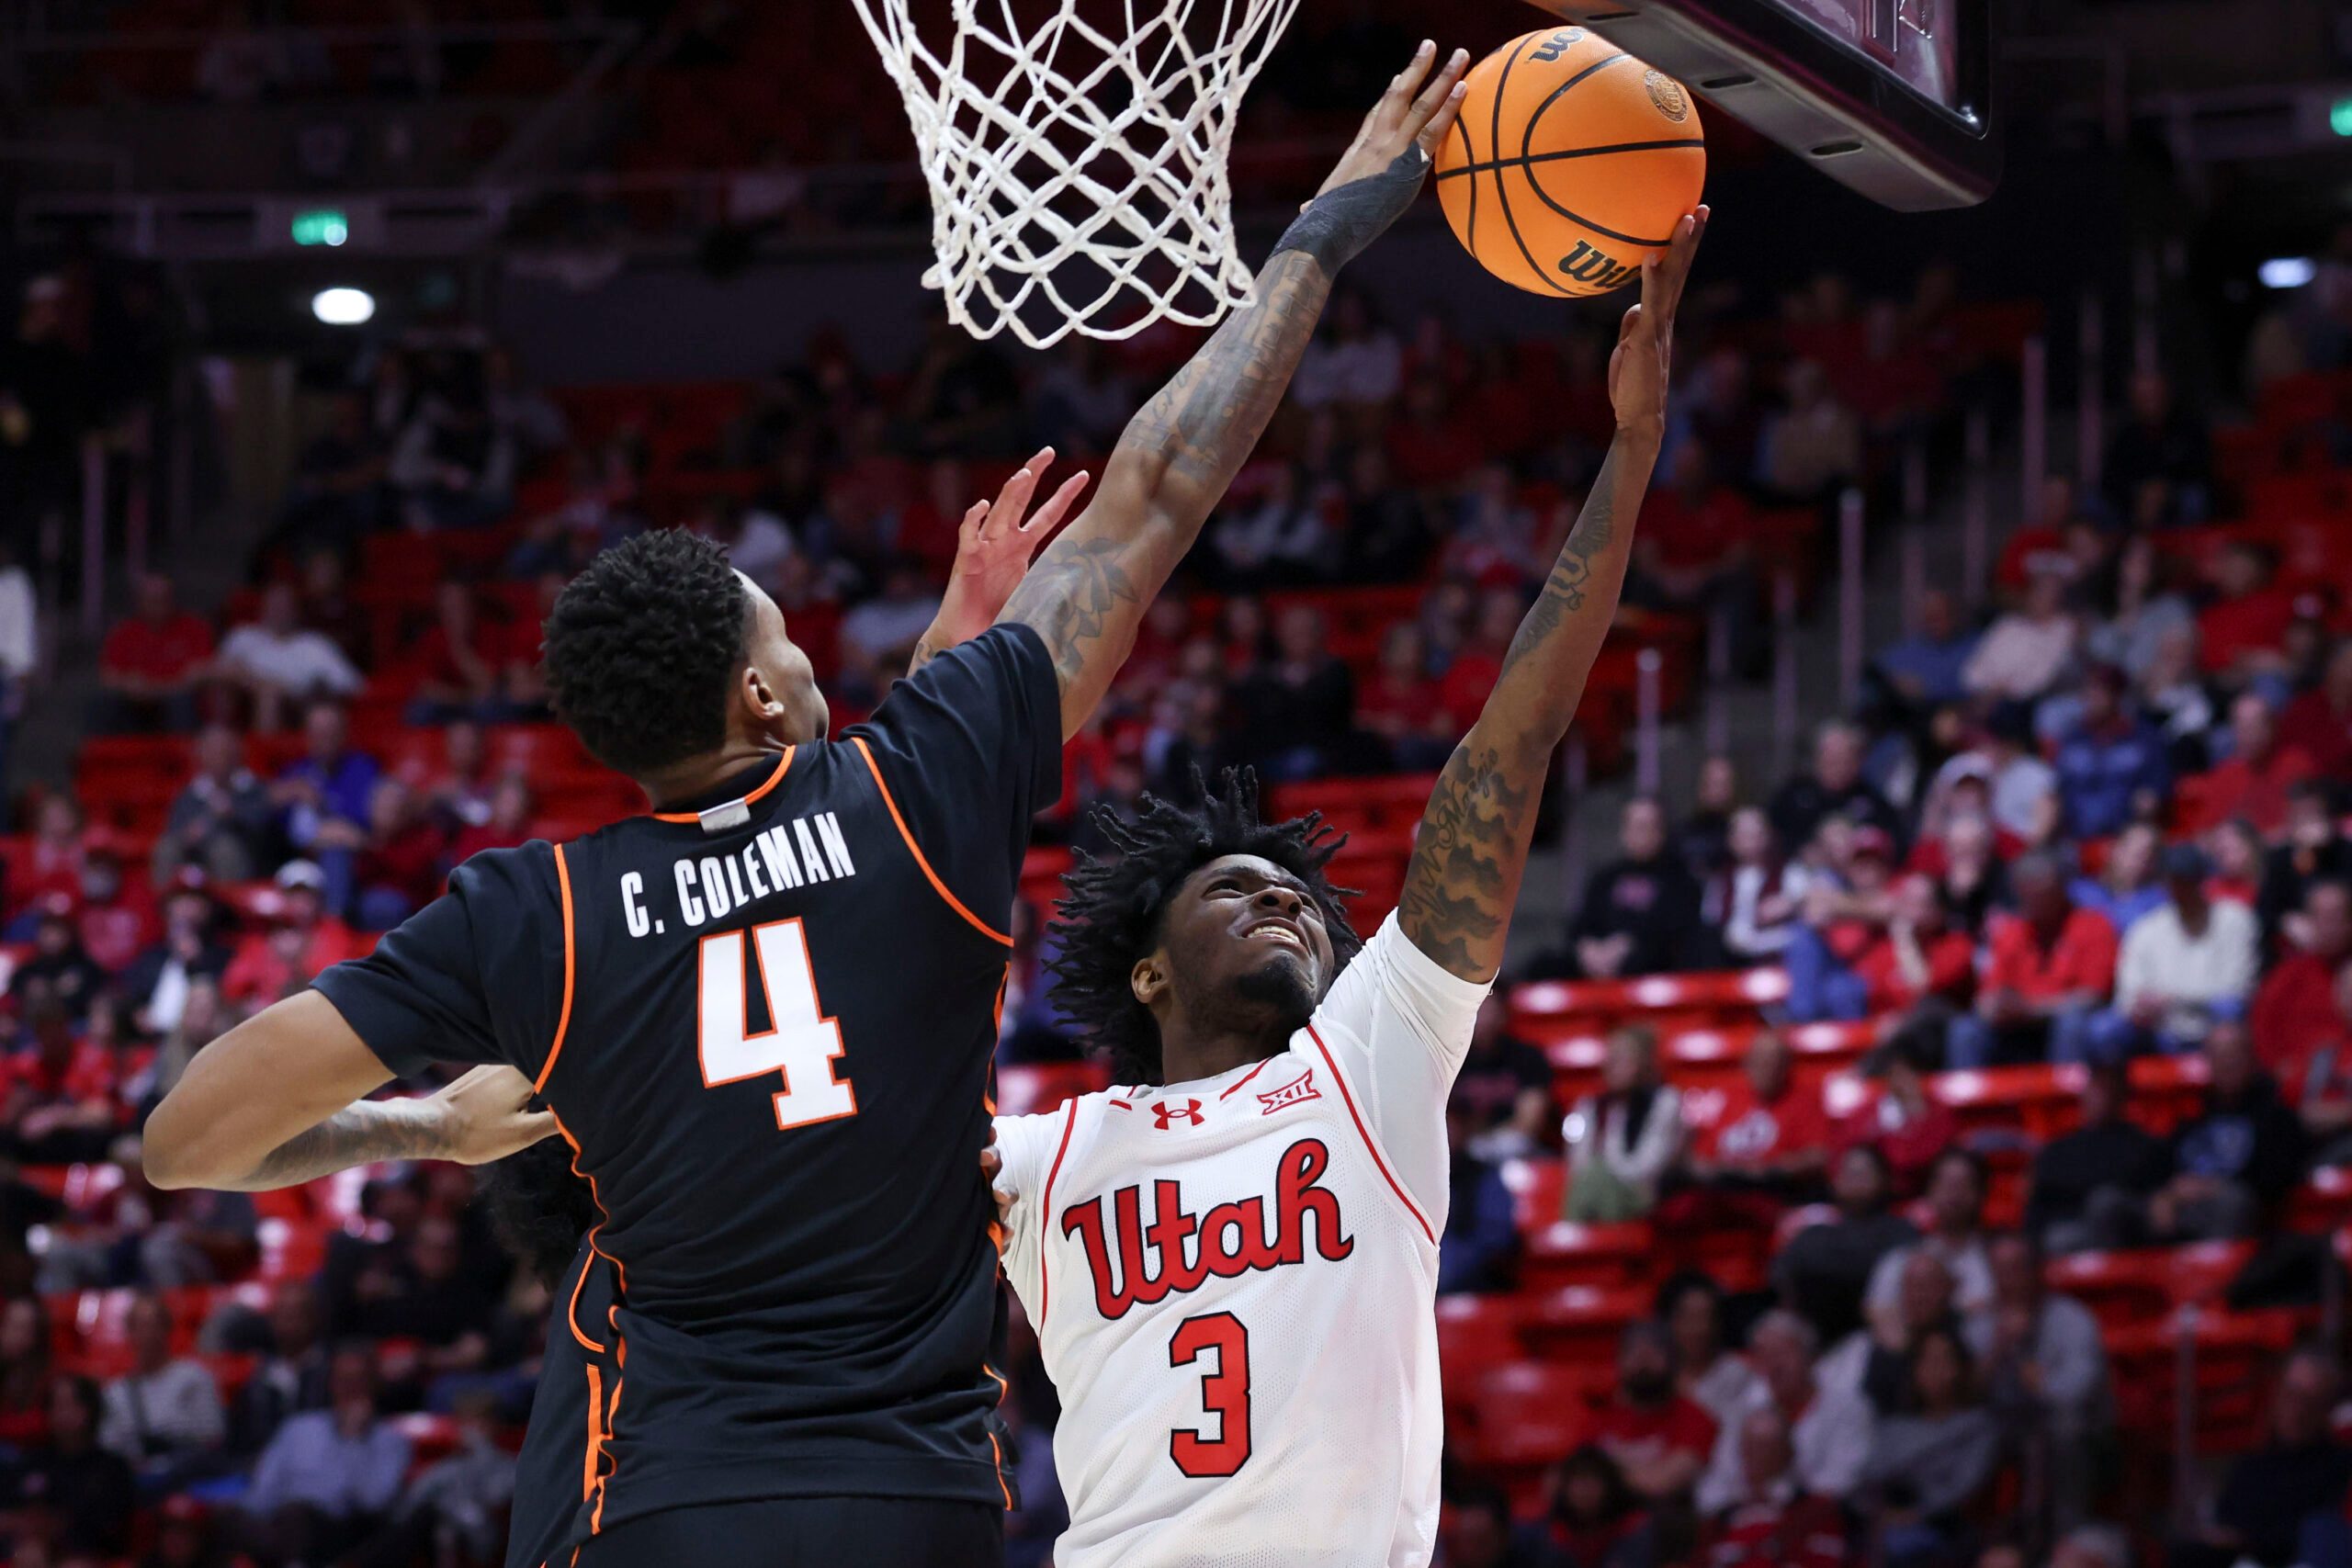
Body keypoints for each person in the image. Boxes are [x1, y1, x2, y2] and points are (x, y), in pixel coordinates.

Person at [146, 48, 1482, 1568]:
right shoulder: (920, 791)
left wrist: (433, 1124)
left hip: (668, 1502)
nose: (803, 643)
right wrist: (1327, 226)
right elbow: (1161, 488)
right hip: (907, 1507)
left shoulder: (539, 911)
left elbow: (190, 1142)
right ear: (767, 700)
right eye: (786, 631)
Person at [985, 179, 1707, 1564]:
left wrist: (1632, 447)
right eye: (1234, 888)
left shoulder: (1371, 1056)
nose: (1283, 898)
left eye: (1301, 892)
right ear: (1148, 967)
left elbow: (1513, 739)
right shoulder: (1044, 1153)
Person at [1970, 1231, 2110, 1533]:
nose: (2010, 1279)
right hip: (2000, 1426)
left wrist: (2032, 1375)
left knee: (2065, 1428)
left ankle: (2068, 1530)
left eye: (2017, 1268)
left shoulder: (2072, 1318)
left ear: (2037, 1270)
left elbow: (2078, 1390)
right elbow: (1962, 1393)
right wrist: (1997, 1350)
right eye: (2000, 1270)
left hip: (2069, 1427)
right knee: (1964, 1428)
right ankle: (1974, 1533)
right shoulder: (1981, 1323)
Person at [2172, 1344, 2352, 1568]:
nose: (2297, 1410)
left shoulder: (2339, 1466)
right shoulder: (2252, 1464)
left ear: (2327, 1409)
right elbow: (2225, 1523)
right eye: (2291, 1395)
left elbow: (2321, 1535)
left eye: (2310, 1401)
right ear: (2277, 1394)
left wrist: (2250, 1540)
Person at [241, 1345, 411, 1567]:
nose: (350, 1389)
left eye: (359, 1381)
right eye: (343, 1380)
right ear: (331, 1384)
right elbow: (263, 1493)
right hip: (281, 1527)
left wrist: (354, 1440)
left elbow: (373, 1502)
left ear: (375, 1385)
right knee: (221, 1518)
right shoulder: (298, 1428)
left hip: (343, 1533)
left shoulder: (390, 1441)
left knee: (298, 1515)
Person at [1954, 851, 2119, 1067]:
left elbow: (2094, 997)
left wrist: (2031, 1010)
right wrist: (1994, 1007)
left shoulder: (2094, 925)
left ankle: (2065, 1099)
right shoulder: (2011, 932)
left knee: (2072, 1024)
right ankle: (1975, 1101)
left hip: (2064, 1029)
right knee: (1967, 1030)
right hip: (2016, 1031)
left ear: (2060, 889)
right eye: (2026, 893)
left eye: (2041, 893)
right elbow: (1987, 996)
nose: (2033, 901)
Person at [1695, 1310, 1871, 1512]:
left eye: (1783, 1353)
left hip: (1823, 1522)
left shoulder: (1849, 1408)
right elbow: (1719, 1480)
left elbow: (1840, 1482)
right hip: (1748, 1520)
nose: (1774, 1365)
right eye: (1764, 1355)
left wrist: (1777, 1497)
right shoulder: (1745, 1408)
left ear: (1810, 1357)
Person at [1857, 1325, 2002, 1566]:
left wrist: (1916, 1513)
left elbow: (1965, 1487)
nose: (1935, 1370)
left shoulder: (1979, 1427)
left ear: (1962, 1368)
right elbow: (1868, 1478)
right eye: (1926, 1361)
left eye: (1944, 1361)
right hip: (1884, 1520)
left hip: (1945, 1527)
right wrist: (1880, 1511)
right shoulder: (1894, 1426)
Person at [2100, 842, 2258, 1057]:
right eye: (2175, 880)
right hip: (2159, 1030)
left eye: (2188, 880)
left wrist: (2172, 1000)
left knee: (2228, 1011)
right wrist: (2141, 1006)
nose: (2181, 888)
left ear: (2203, 881)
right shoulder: (2145, 929)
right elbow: (2127, 997)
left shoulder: (2235, 920)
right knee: (2105, 1030)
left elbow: (2237, 991)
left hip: (2212, 1024)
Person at [1772, 1144, 1918, 1345]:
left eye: (1863, 1173)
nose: (1855, 1179)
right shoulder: (1814, 1232)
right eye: (1848, 1172)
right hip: (1817, 1332)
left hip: (1879, 1332)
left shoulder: (1902, 1232)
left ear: (1884, 1180)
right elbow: (1782, 1276)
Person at [2025, 1059, 2170, 1253]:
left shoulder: (2146, 1147)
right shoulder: (2057, 1152)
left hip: (2132, 1236)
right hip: (2075, 1236)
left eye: (2110, 1088)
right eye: (2097, 1087)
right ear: (2084, 1092)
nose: (2102, 1096)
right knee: (2056, 1238)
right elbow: (2039, 1210)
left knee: (2106, 1201)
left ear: (2123, 1096)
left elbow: (2159, 1201)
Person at [1579, 1319, 1720, 1505]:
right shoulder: (1604, 1415)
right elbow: (1563, 1482)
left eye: (1652, 1355)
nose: (1642, 1364)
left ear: (1673, 1362)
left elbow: (1660, 1484)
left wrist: (1604, 1469)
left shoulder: (1696, 1419)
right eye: (1634, 1355)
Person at [1565, 796, 1704, 978]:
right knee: (1545, 965)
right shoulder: (1604, 878)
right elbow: (1580, 924)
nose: (1638, 833)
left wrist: (1628, 944)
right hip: (1598, 961)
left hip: (1651, 966)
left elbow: (1677, 932)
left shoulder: (1681, 880)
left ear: (1660, 832)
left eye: (1645, 826)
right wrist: (1587, 948)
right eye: (1632, 825)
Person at [1701, 1406, 1850, 1568]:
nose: (1752, 1454)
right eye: (1748, 1445)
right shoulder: (1721, 1520)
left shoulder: (1816, 1512)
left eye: (1764, 1446)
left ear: (1786, 1452)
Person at [97, 1293, 226, 1480]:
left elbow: (212, 1437)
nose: (147, 1334)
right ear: (129, 1334)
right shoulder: (116, 1392)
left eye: (152, 1325)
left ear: (166, 1329)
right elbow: (109, 1445)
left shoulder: (193, 1378)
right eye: (139, 1327)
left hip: (188, 1477)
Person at [1864, 1149, 1994, 1333]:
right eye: (1946, 1184)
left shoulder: (1997, 1259)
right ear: (1929, 1191)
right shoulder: (1901, 1258)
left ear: (1981, 1193)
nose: (1954, 1193)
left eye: (1964, 1184)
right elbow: (1877, 1310)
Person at [1565, 1025, 1685, 1223]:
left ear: (1644, 1062)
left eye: (1622, 1058)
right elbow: (1577, 1165)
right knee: (1591, 1177)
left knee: (1597, 1175)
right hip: (1593, 1195)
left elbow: (1648, 1168)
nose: (1611, 1064)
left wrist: (1607, 1172)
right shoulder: (1588, 1107)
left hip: (1639, 1200)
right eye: (1610, 1057)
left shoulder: (1665, 1103)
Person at [212, 581, 364, 731]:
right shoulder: (243, 636)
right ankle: (217, 736)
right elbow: (212, 671)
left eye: (284, 605)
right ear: (263, 606)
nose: (279, 610)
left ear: (296, 610)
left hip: (296, 706)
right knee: (219, 682)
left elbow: (352, 684)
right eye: (274, 604)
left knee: (269, 696)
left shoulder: (314, 644)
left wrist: (303, 692)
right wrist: (252, 681)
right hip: (240, 698)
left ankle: (266, 750)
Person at [2052, 663, 2170, 840]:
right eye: (2089, 690)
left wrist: (2148, 802)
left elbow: (2156, 787)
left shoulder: (2144, 739)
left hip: (2122, 835)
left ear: (2117, 695)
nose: (2093, 697)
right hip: (2073, 838)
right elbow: (2058, 788)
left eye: (2101, 691)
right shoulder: (2072, 739)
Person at [2255, 880, 2352, 1084]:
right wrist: (2279, 1068)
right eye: (2323, 918)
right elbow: (2263, 1032)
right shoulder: (2287, 976)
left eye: (2337, 917)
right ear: (2309, 922)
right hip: (2299, 1088)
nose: (2330, 927)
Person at [154, 725, 274, 886]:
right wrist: (188, 834)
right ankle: (169, 903)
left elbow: (263, 828)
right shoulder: (190, 794)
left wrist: (232, 815)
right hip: (197, 855)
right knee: (166, 847)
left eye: (224, 750)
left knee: (225, 849)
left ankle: (231, 906)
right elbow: (174, 829)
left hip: (245, 860)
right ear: (201, 755)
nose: (219, 757)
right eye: (212, 751)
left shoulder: (255, 789)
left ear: (238, 753)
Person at [2184, 692, 2316, 836]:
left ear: (2271, 727)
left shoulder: (2297, 764)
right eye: (2241, 727)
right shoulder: (2225, 775)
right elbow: (2207, 831)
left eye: (2255, 726)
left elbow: (2311, 818)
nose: (2248, 734)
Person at [97, 573, 214, 732]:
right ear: (139, 601)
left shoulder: (195, 628)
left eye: (163, 599)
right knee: (105, 701)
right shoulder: (123, 633)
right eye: (151, 599)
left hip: (178, 698)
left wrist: (155, 689)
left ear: (173, 599)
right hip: (134, 701)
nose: (158, 605)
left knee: (183, 701)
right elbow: (109, 677)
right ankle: (110, 755)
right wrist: (129, 685)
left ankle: (181, 752)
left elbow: (199, 674)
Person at [1451, 991, 1555, 1159]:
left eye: (1489, 1008)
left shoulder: (1527, 1057)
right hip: (1462, 1155)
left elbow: (1529, 1122)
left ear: (1503, 1012)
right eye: (1478, 1008)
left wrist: (1487, 1142)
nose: (1483, 1017)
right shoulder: (1450, 1061)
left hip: (1515, 1150)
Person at [1770, 721, 1900, 852]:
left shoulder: (1873, 801)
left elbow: (1892, 845)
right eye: (1833, 760)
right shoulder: (1793, 796)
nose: (1839, 768)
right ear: (1817, 759)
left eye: (1846, 760)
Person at [1658, 1273, 1761, 1432]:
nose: (1700, 1328)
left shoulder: (1737, 1373)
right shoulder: (1658, 1373)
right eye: (1689, 1318)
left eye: (1706, 1317)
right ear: (1670, 1321)